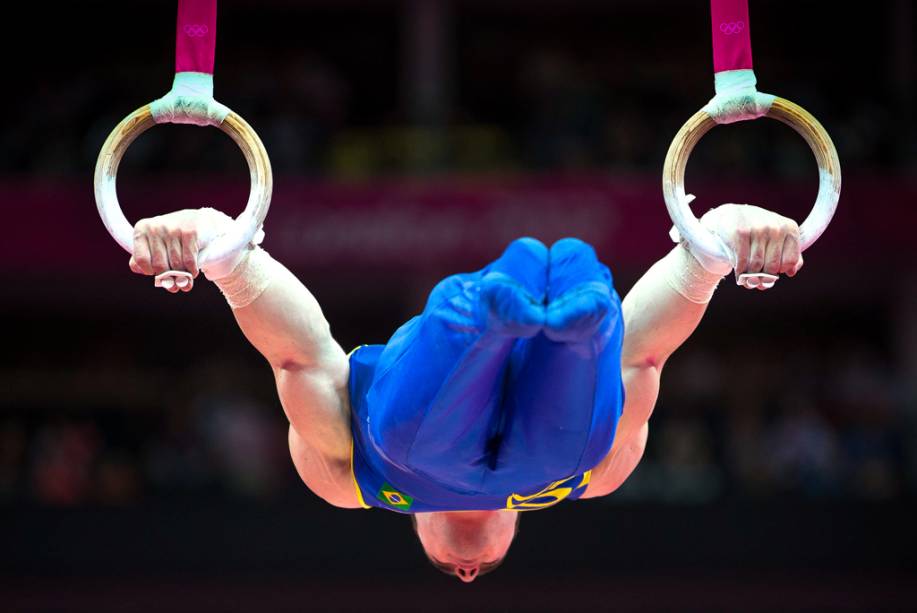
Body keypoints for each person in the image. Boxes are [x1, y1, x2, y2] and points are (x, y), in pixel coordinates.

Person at [128, 203, 803, 582]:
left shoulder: (353, 482)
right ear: (512, 531)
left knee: (419, 422)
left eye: (451, 570)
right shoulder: (591, 480)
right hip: (555, 460)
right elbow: (645, 355)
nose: (468, 571)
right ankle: (572, 307)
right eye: (484, 569)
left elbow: (296, 357)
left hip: (411, 445)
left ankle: (486, 313)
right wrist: (710, 249)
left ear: (418, 525)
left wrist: (224, 251)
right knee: (602, 350)